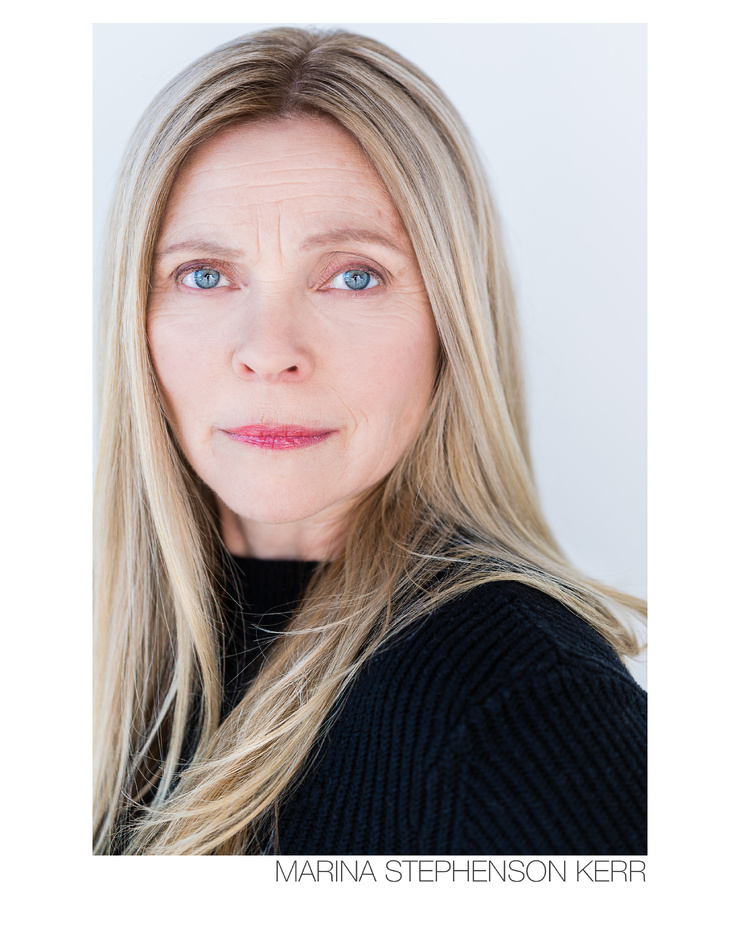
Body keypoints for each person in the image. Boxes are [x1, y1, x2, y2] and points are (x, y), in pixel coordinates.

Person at [94, 26, 647, 856]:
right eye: (205, 275)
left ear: (450, 325)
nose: (269, 349)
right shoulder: (92, 667)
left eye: (353, 275)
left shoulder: (533, 706)